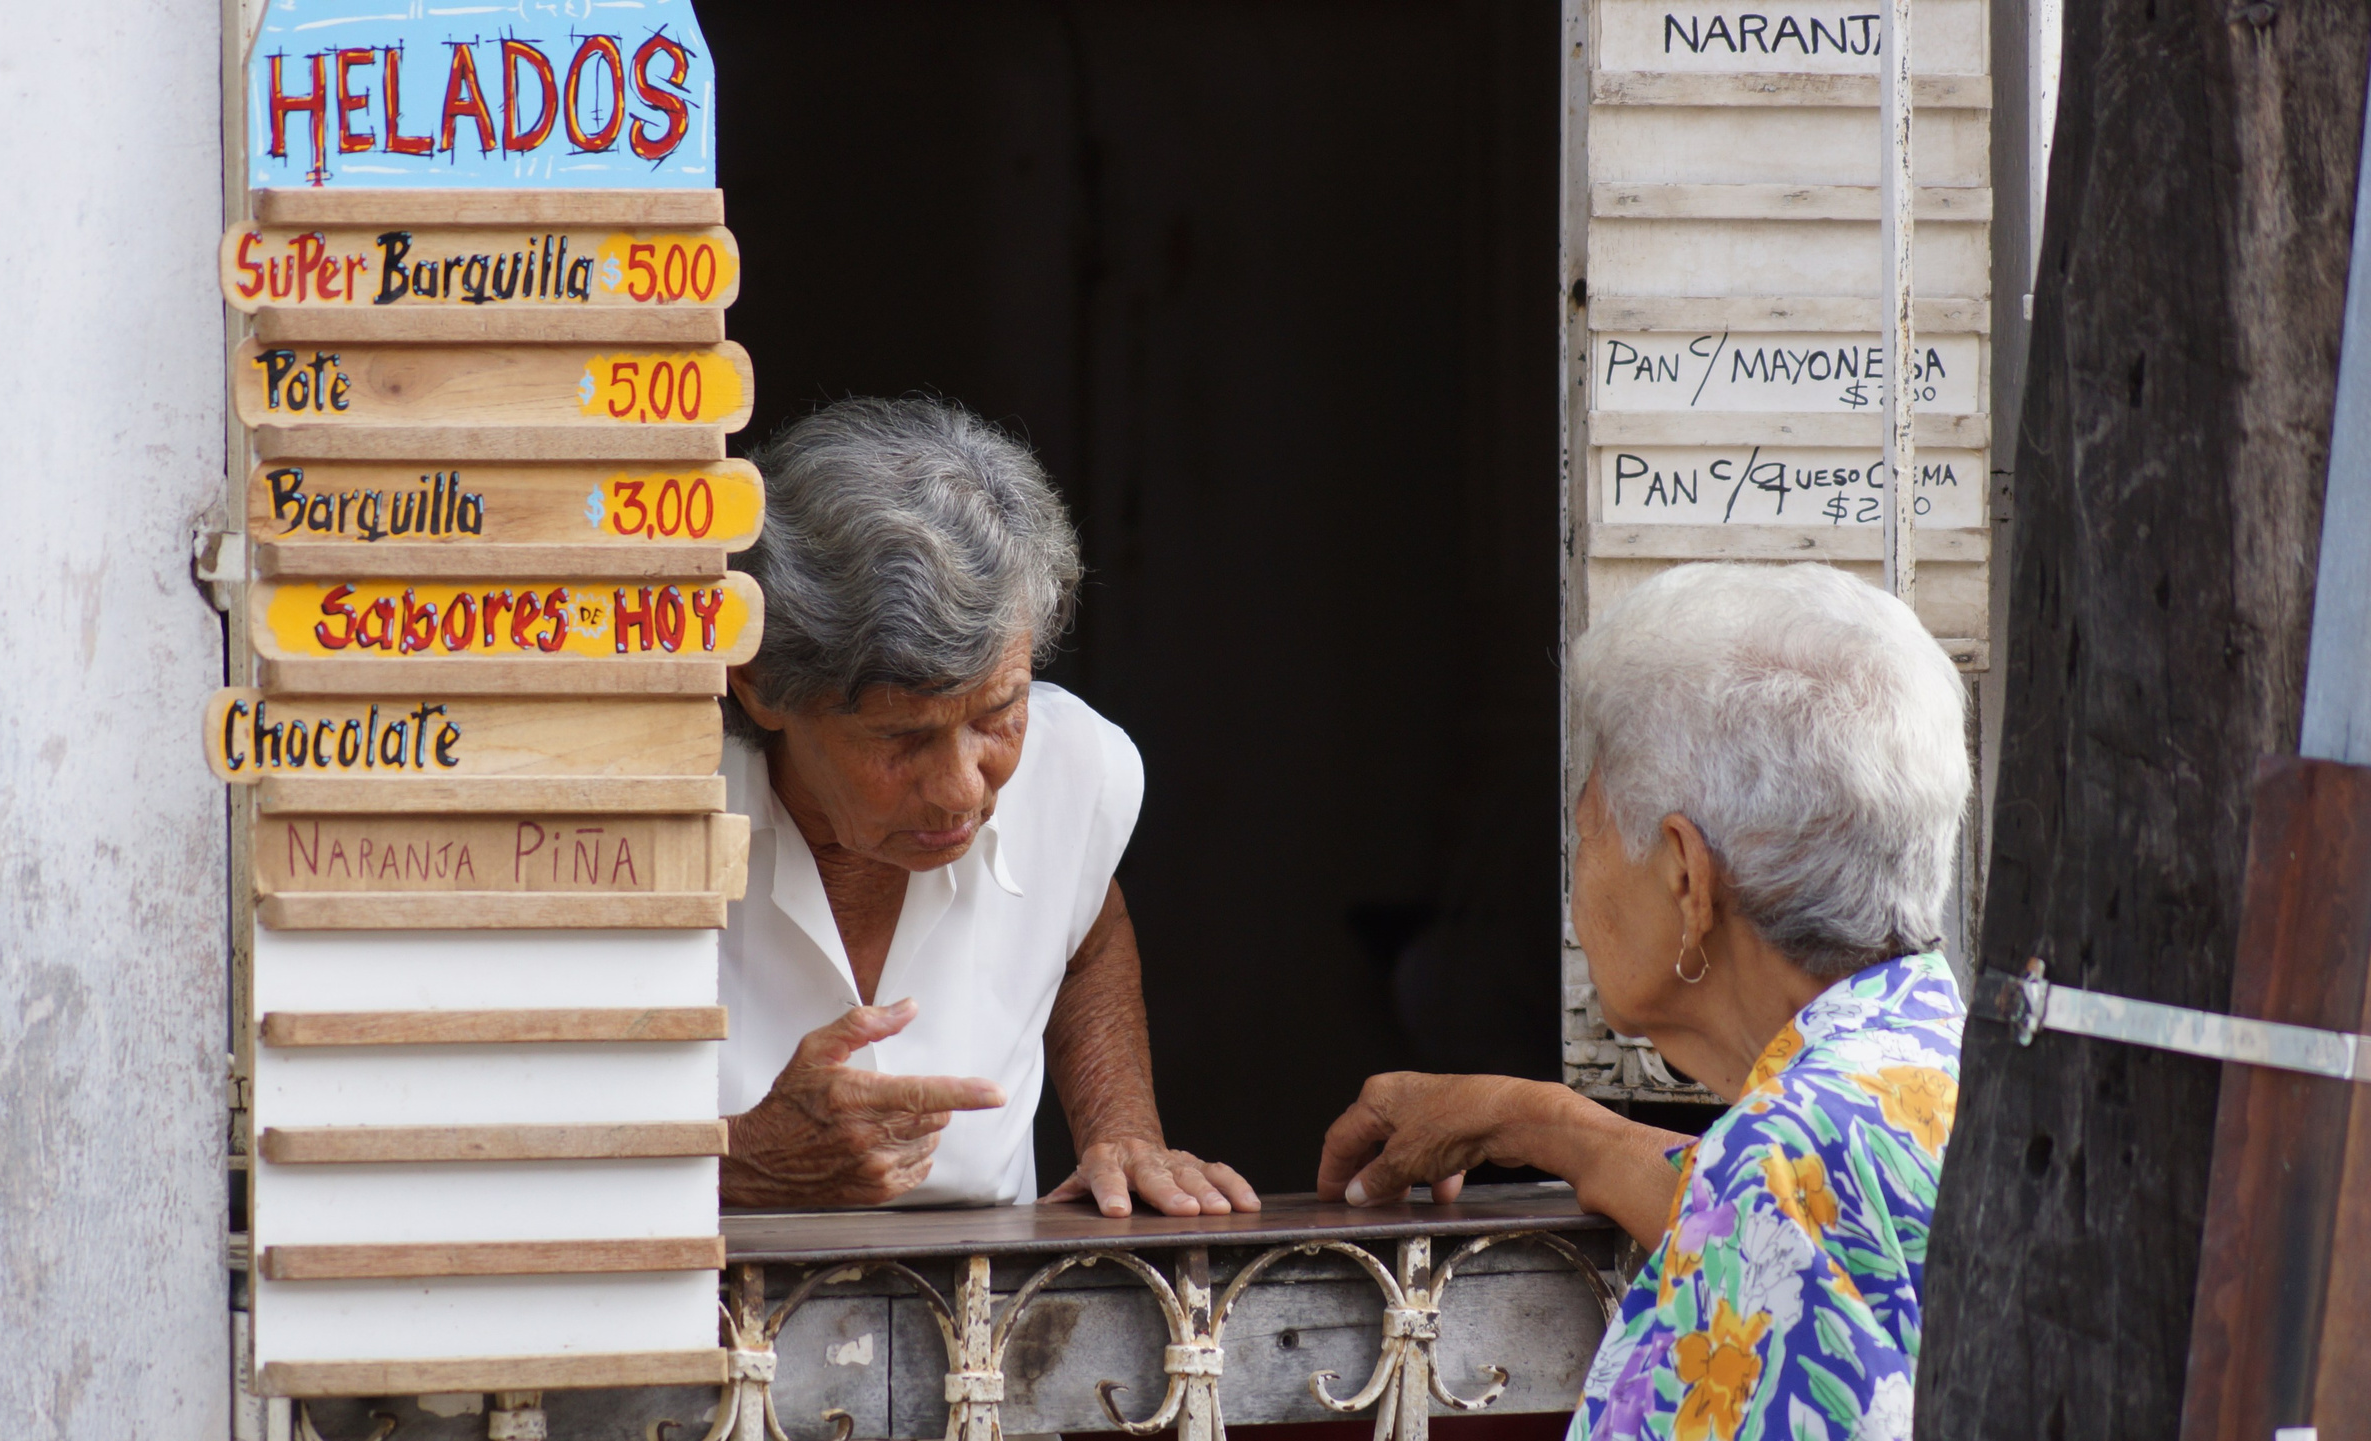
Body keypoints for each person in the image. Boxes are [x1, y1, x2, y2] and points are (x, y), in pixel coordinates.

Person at [1317, 562, 1969, 1440]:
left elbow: (1764, 1201)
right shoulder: (1939, 1071)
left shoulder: (1771, 1168)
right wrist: (1528, 1117)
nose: (1574, 883)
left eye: (1583, 833)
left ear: (1686, 878)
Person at [716, 396, 1258, 1218]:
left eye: (997, 711)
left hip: (987, 1329)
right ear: (758, 686)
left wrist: (1122, 1128)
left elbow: (1087, 929)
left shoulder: (1073, 769)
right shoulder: (651, 811)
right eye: (901, 735)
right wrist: (741, 1163)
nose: (965, 787)